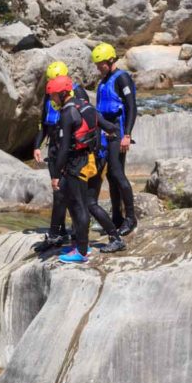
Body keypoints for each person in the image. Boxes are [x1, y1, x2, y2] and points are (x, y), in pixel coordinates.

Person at [46, 75, 126, 264]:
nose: (51, 99)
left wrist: (56, 175)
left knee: (80, 206)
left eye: (53, 96)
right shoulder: (84, 105)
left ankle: (82, 251)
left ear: (62, 93)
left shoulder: (67, 113)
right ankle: (95, 241)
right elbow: (110, 127)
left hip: (76, 164)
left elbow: (64, 148)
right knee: (84, 203)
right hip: (91, 160)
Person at [32, 61, 91, 253]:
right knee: (59, 193)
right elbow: (44, 123)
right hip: (56, 148)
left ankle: (70, 235)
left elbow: (86, 121)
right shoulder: (51, 95)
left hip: (71, 151)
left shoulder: (77, 95)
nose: (53, 86)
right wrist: (37, 146)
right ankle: (58, 233)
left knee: (70, 195)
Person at [92, 43, 139, 236]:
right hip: (104, 132)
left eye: (101, 63)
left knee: (118, 174)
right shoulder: (103, 81)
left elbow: (132, 107)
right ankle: (117, 217)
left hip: (118, 131)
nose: (98, 67)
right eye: (97, 64)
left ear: (110, 60)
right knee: (110, 176)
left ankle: (130, 218)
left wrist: (127, 135)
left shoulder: (122, 79)